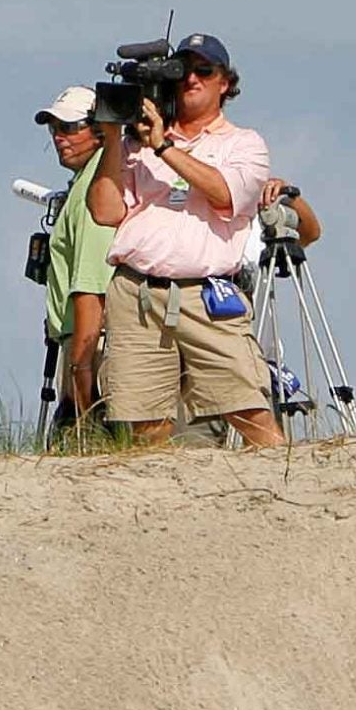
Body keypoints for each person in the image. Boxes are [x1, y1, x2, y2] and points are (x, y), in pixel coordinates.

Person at [84, 33, 285, 450]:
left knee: (248, 408)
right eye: (183, 70)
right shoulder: (135, 145)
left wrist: (163, 145)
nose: (192, 78)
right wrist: (111, 141)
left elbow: (224, 193)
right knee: (145, 424)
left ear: (225, 82)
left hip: (206, 295)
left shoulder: (243, 143)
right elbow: (104, 212)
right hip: (137, 292)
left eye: (204, 71)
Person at [33, 87, 116, 425]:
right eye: (54, 129)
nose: (59, 137)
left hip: (90, 344)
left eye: (69, 127)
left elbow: (90, 287)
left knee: (84, 435)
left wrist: (80, 369)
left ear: (98, 129)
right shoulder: (90, 180)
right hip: (81, 340)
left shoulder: (93, 189)